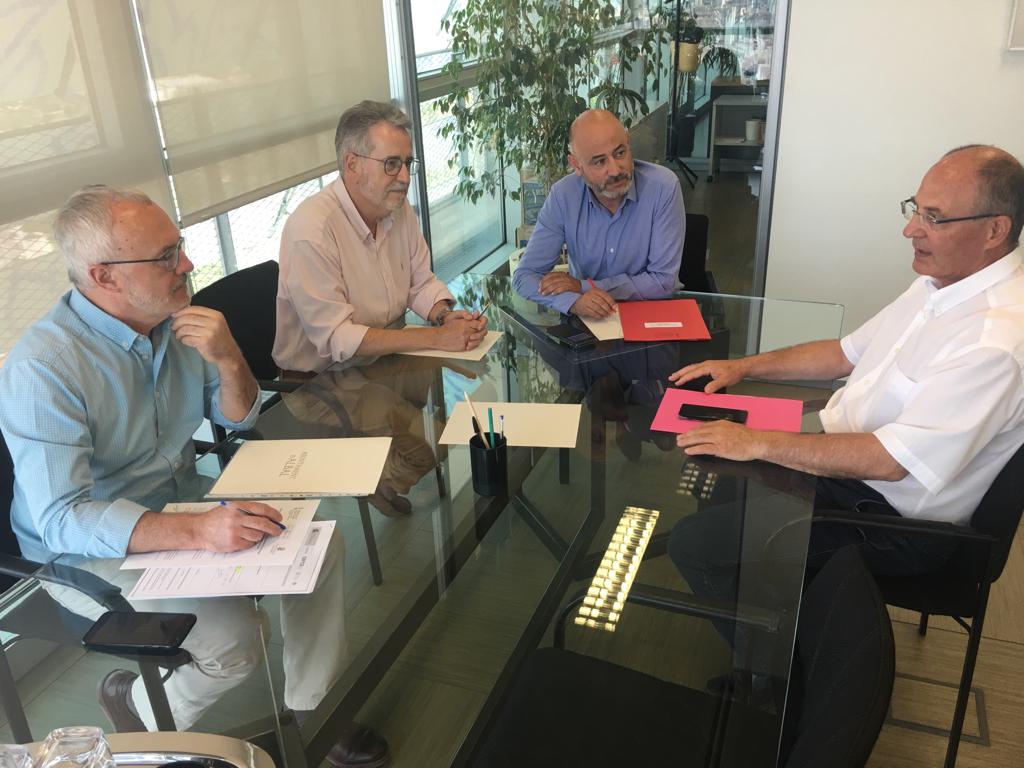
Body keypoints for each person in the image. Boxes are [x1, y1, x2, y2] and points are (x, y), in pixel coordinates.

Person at [0, 186, 388, 768]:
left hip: (178, 505)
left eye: (179, 246)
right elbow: (62, 519)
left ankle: (316, 707)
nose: (186, 263)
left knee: (319, 547)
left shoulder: (176, 323)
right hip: (84, 554)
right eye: (165, 256)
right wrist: (200, 531)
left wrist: (229, 357)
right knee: (237, 640)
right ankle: (137, 714)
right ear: (104, 276)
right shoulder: (45, 367)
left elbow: (239, 417)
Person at [669, 145, 1024, 577]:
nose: (910, 229)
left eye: (934, 217)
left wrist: (756, 441)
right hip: (851, 472)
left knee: (696, 546)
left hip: (892, 521)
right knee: (717, 475)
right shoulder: (941, 284)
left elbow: (889, 461)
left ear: (995, 230)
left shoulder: (995, 342)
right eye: (915, 209)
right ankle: (762, 596)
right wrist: (743, 366)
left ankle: (789, 615)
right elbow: (843, 354)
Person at [273, 99, 487, 372]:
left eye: (407, 163)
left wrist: (444, 317)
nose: (405, 177)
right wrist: (436, 337)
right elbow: (338, 337)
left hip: (386, 360)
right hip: (322, 381)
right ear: (352, 165)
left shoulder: (396, 207)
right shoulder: (311, 231)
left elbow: (420, 282)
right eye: (391, 164)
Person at [512, 108, 685, 319]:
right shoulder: (563, 196)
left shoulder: (663, 187)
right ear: (576, 165)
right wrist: (572, 302)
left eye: (620, 153)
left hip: (648, 315)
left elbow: (663, 281)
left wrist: (583, 287)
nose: (615, 170)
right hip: (587, 317)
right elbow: (525, 275)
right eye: (600, 161)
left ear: (628, 143)